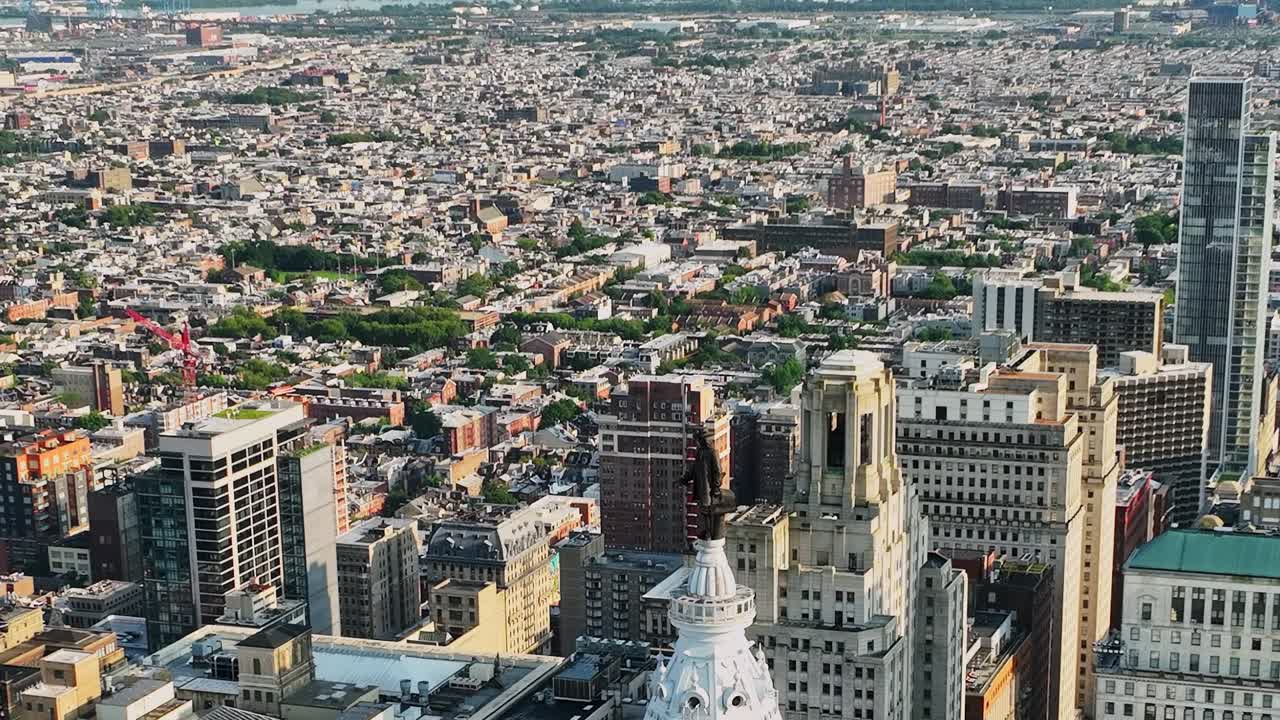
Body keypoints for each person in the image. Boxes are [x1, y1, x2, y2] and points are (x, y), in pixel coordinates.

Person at [681, 428, 736, 540]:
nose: (696, 443)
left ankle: (710, 532)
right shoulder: (699, 453)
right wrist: (684, 479)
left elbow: (718, 471)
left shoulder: (712, 453)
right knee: (703, 510)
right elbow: (693, 470)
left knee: (709, 510)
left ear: (702, 441)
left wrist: (716, 487)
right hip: (701, 487)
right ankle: (706, 531)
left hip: (708, 488)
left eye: (697, 440)